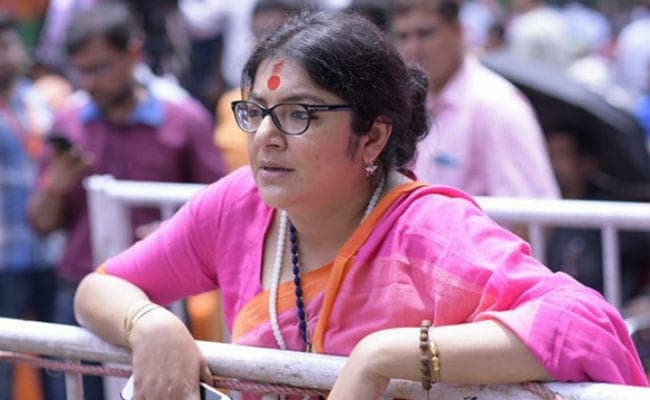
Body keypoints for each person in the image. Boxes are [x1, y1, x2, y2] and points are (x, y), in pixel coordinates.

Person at [74, 11, 646, 400]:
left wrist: (383, 357)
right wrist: (151, 325)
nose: (266, 137)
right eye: (256, 112)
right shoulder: (240, 204)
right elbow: (101, 287)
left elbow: (584, 325)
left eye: (298, 114)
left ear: (372, 137)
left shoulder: (426, 231)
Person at [28, 2, 226, 398]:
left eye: (100, 68)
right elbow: (41, 223)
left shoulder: (183, 121)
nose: (90, 82)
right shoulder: (68, 124)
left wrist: (175, 229)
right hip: (78, 296)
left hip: (162, 303)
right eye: (81, 71)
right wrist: (55, 185)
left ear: (133, 53)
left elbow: (223, 213)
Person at [390, 0, 559, 198]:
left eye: (425, 34)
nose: (413, 49)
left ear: (458, 30)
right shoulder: (410, 102)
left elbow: (529, 208)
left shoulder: (495, 105)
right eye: (403, 36)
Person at [0, 12, 58, 400]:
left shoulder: (38, 100)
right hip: (3, 255)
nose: (3, 56)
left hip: (46, 251)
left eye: (7, 46)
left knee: (57, 358)